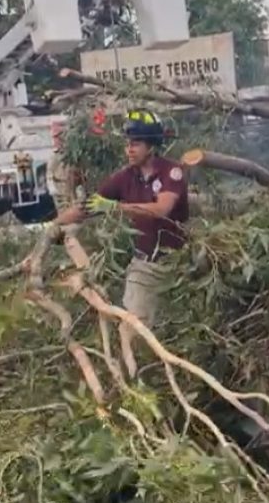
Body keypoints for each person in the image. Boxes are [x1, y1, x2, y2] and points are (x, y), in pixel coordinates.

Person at [57, 109, 189, 375]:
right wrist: (54, 226)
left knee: (179, 326)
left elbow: (161, 208)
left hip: (181, 263)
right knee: (132, 330)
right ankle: (139, 377)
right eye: (127, 143)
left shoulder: (171, 172)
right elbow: (88, 207)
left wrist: (115, 208)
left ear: (151, 146)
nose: (129, 149)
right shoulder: (125, 177)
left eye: (136, 143)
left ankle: (170, 373)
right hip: (145, 266)